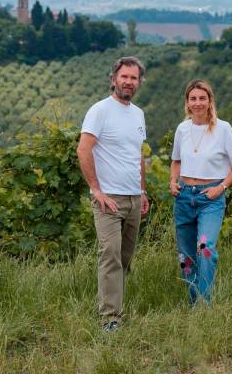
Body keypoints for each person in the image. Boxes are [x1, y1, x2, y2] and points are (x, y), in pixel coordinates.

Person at [77, 56, 150, 332]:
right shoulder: (100, 111)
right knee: (110, 253)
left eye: (134, 78)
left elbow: (138, 155)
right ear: (113, 79)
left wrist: (142, 191)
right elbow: (83, 150)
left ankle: (115, 303)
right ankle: (110, 318)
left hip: (133, 197)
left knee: (125, 256)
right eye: (125, 77)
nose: (129, 82)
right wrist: (96, 190)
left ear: (138, 82)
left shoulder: (138, 114)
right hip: (108, 198)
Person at [169, 79, 232, 305]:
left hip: (209, 198)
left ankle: (205, 301)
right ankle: (194, 301)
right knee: (185, 256)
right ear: (187, 103)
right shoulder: (182, 129)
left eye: (202, 98)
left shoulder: (223, 128)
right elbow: (176, 161)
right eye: (193, 98)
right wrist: (173, 181)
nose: (198, 102)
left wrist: (221, 187)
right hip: (183, 196)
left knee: (205, 248)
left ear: (210, 101)